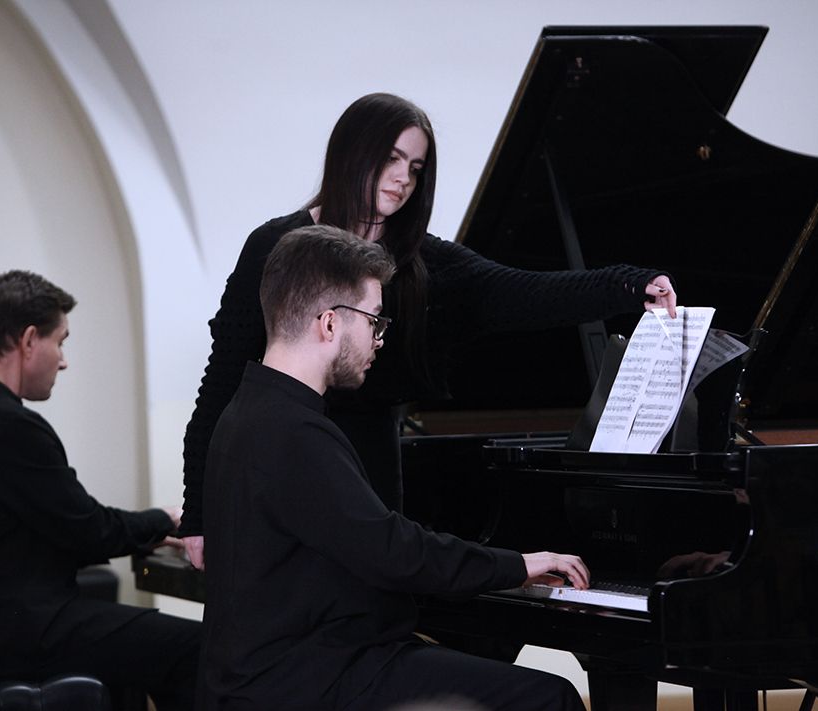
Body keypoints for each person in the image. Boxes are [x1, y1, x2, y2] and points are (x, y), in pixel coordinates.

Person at [180, 91, 678, 570]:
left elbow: (527, 292)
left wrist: (628, 286)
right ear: (352, 153)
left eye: (416, 168)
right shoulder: (275, 246)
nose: (404, 179)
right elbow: (220, 383)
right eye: (392, 159)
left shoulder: (427, 262)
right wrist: (197, 514)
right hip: (279, 465)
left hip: (369, 471)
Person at [201, 224, 591, 710]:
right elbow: (393, 551)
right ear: (329, 324)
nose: (379, 339)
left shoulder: (248, 412)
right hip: (300, 678)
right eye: (375, 321)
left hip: (274, 668)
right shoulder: (294, 432)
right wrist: (519, 565)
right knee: (550, 697)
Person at [0, 270, 200, 711]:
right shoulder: (6, 425)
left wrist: (140, 529)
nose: (63, 361)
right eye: (60, 341)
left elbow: (46, 531)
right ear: (28, 340)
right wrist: (164, 519)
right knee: (196, 647)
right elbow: (88, 530)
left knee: (140, 643)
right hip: (13, 640)